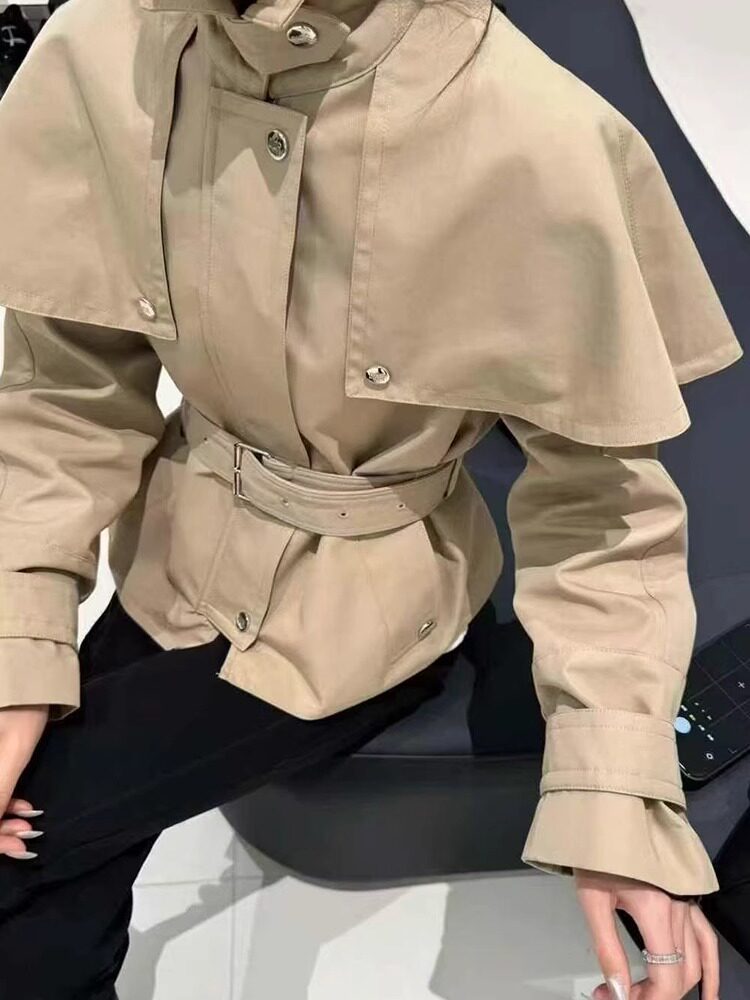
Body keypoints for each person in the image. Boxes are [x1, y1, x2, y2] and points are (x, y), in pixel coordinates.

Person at [0, 0, 743, 996]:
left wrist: (618, 799)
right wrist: (17, 640)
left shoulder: (527, 134)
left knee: (29, 860)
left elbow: (602, 508)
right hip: (173, 545)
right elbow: (63, 389)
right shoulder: (104, 47)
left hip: (363, 614)